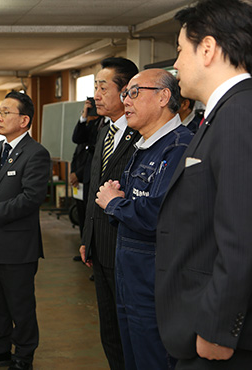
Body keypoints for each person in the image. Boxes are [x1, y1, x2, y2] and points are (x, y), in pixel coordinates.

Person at [156, 0, 252, 368]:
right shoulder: (223, 114)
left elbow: (243, 235)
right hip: (196, 322)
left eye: (181, 51)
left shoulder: (242, 114)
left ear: (209, 49)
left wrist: (218, 328)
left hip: (223, 339)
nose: (176, 64)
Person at [95, 69, 193, 369]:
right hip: (130, 280)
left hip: (155, 283)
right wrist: (119, 205)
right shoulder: (143, 146)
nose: (126, 101)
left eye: (135, 92)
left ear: (164, 97)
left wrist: (114, 205)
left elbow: (160, 216)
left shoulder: (179, 148)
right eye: (125, 93)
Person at [0, 91, 51, 370]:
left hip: (17, 246)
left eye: (5, 113)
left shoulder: (36, 153)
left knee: (20, 305)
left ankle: (24, 355)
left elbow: (32, 197)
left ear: (24, 120)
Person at [79, 57, 140, 370]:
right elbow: (94, 190)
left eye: (103, 87)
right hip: (100, 247)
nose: (96, 95)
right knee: (110, 330)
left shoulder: (141, 135)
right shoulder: (104, 132)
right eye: (95, 87)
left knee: (131, 329)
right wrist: (86, 238)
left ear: (126, 90)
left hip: (125, 248)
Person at [70, 98, 108, 235]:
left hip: (102, 178)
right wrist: (84, 116)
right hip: (87, 177)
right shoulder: (94, 123)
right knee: (85, 214)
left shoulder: (112, 126)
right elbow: (77, 138)